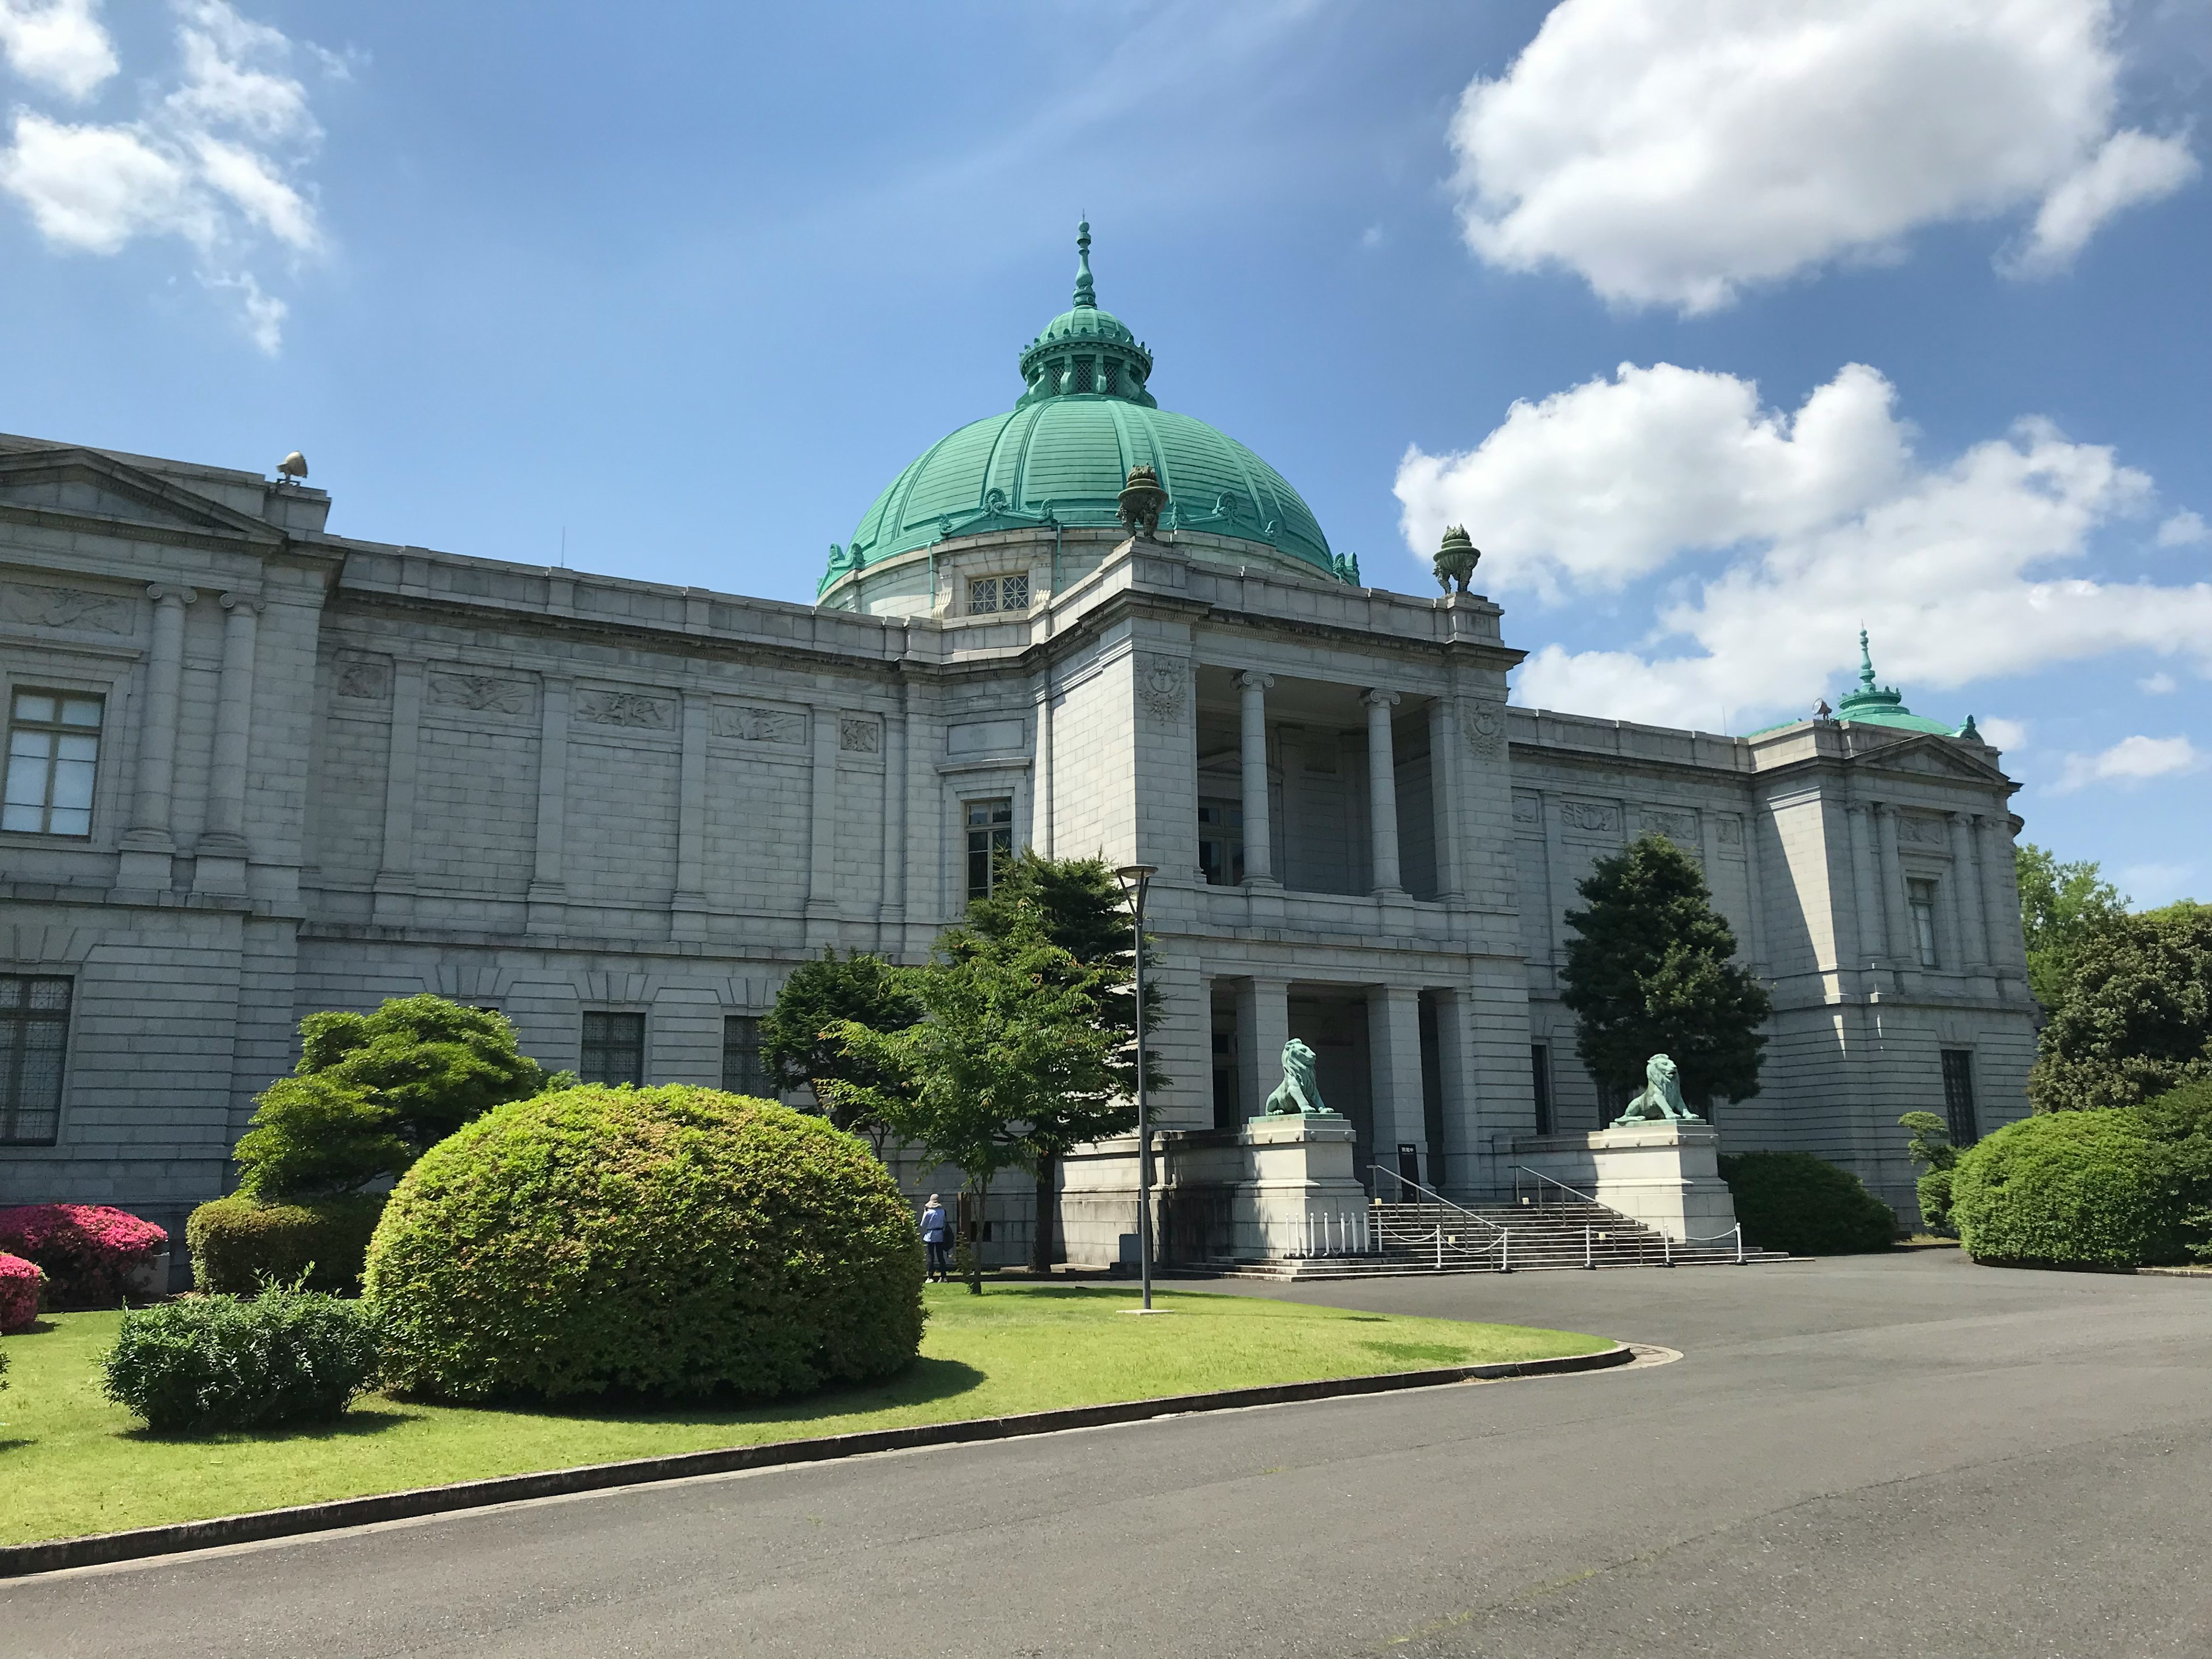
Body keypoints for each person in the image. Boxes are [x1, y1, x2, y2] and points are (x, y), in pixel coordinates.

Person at [919, 1193, 952, 1283]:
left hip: (931, 1235)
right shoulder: (943, 1212)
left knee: (930, 1256)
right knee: (941, 1256)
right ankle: (944, 1276)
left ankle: (930, 1276)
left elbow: (923, 1224)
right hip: (940, 1234)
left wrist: (925, 1213)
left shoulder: (928, 1213)